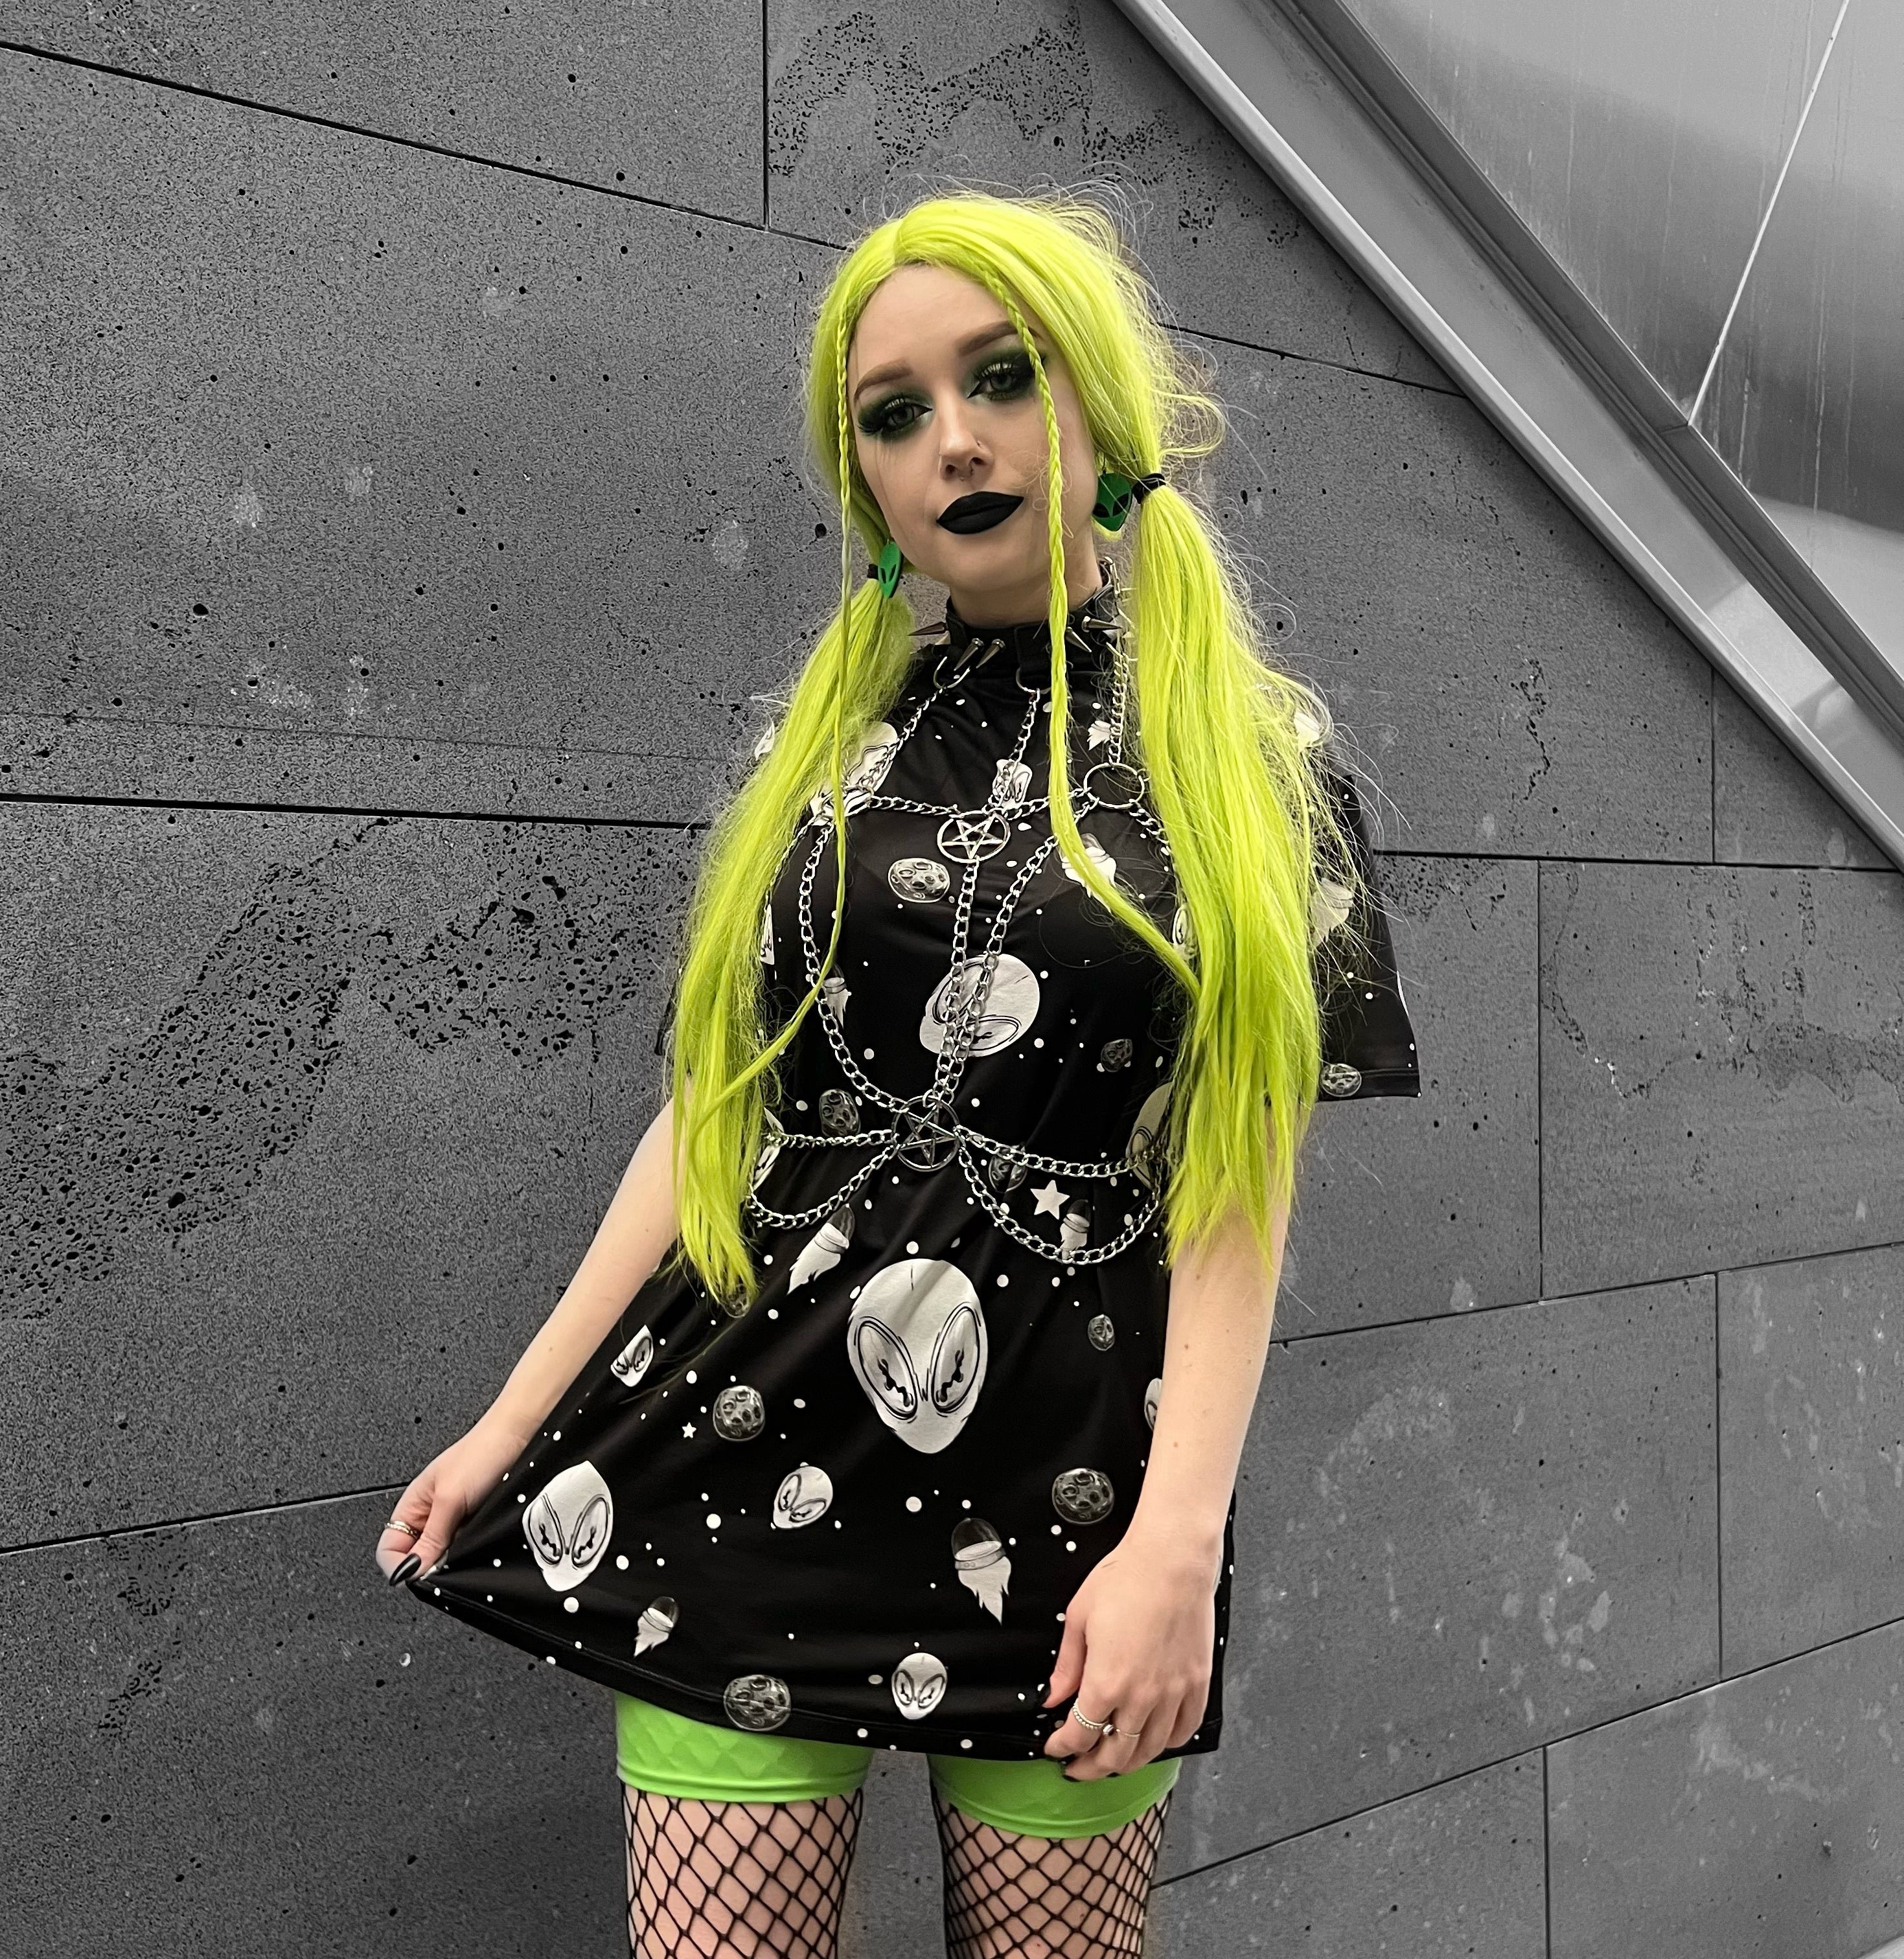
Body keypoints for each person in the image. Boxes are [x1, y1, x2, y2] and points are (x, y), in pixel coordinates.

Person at [373, 186, 1420, 1958]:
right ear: (863, 478)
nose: (956, 441)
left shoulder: (1256, 757)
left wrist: (1178, 1543)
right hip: (736, 1458)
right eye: (895, 412)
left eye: (1003, 377)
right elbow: (714, 1120)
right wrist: (510, 1422)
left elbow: (1235, 1187)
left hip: (1073, 1498)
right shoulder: (827, 742)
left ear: (1102, 401)